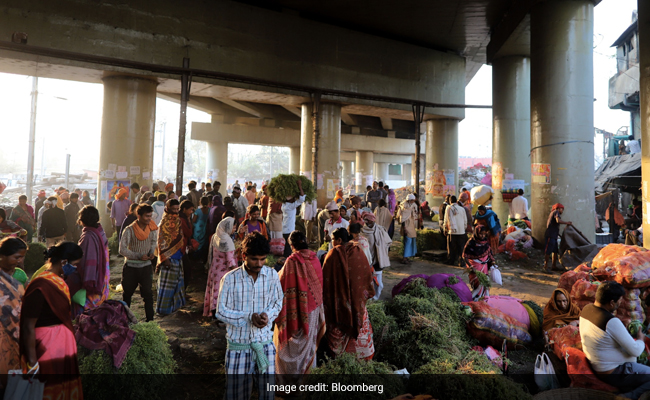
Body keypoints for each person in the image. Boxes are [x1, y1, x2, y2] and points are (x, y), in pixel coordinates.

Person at [216, 232, 283, 400]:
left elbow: (277, 303)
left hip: (264, 345)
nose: (259, 264)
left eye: (263, 259)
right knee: (236, 395)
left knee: (267, 395)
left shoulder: (272, 276)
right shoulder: (230, 279)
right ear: (243, 256)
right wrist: (248, 317)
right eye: (254, 259)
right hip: (239, 348)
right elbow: (221, 311)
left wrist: (267, 316)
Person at [20, 242, 84, 399]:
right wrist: (32, 362)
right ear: (64, 262)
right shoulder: (40, 285)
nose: (76, 268)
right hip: (46, 349)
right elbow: (28, 326)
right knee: (48, 390)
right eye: (74, 265)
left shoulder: (58, 281)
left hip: (62, 347)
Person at [580, 282, 650, 399]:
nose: (620, 303)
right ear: (612, 303)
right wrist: (640, 339)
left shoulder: (587, 309)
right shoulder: (610, 321)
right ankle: (627, 396)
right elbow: (636, 351)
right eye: (619, 301)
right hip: (615, 372)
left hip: (600, 366)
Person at [274, 230, 324, 379]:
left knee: (292, 343)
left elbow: (281, 281)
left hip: (295, 308)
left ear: (291, 245)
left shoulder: (292, 261)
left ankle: (289, 377)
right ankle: (306, 376)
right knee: (308, 342)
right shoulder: (314, 258)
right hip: (312, 309)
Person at [322, 228, 375, 359]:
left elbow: (325, 280)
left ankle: (340, 360)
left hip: (338, 307)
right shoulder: (359, 252)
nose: (332, 242)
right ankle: (361, 359)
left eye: (333, 239)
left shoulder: (332, 255)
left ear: (339, 240)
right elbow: (366, 275)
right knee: (361, 331)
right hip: (358, 304)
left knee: (337, 333)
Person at [119, 204, 157, 322]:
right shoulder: (129, 230)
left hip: (146, 267)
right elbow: (122, 250)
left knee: (148, 295)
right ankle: (125, 321)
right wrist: (138, 256)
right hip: (131, 267)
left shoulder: (152, 228)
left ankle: (150, 321)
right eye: (146, 216)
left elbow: (153, 242)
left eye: (150, 216)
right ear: (139, 216)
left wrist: (151, 253)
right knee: (127, 295)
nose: (149, 219)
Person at [0, 237, 26, 389]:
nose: (20, 261)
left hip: (15, 339)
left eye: (22, 257)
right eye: (16, 257)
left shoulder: (18, 278)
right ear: (2, 256)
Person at [74, 206, 110, 316]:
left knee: (87, 309)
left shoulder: (88, 236)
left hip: (93, 278)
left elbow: (82, 259)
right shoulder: (100, 231)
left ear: (82, 220)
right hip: (103, 274)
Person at [156, 199, 186, 315]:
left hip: (178, 257)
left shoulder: (178, 220)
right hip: (168, 259)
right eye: (173, 209)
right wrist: (165, 258)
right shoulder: (164, 222)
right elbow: (161, 242)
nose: (176, 211)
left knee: (177, 284)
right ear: (168, 209)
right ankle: (163, 310)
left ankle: (174, 307)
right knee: (166, 287)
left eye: (177, 209)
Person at [204, 216, 237, 317]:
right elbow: (230, 261)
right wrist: (237, 272)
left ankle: (212, 312)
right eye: (233, 227)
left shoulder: (215, 236)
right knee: (222, 292)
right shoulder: (227, 240)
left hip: (214, 269)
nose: (234, 229)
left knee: (215, 290)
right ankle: (220, 315)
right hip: (224, 271)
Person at [361, 211, 392, 300]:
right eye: (367, 220)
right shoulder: (362, 231)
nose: (369, 222)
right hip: (367, 261)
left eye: (370, 220)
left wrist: (382, 250)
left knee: (379, 283)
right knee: (367, 281)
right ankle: (369, 298)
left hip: (378, 260)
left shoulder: (380, 230)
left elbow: (388, 242)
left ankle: (376, 298)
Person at [463, 226, 494, 301]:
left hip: (484, 267)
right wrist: (471, 267)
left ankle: (484, 299)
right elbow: (464, 256)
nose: (482, 236)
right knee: (478, 284)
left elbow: (489, 253)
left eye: (484, 234)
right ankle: (474, 299)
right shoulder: (471, 243)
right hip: (475, 267)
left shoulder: (486, 242)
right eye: (480, 234)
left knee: (485, 283)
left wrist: (493, 262)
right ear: (476, 233)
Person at [544, 203, 572, 273]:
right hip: (550, 235)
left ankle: (553, 266)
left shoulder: (553, 213)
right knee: (548, 251)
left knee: (555, 251)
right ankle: (545, 266)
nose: (562, 211)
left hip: (554, 235)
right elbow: (558, 221)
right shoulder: (556, 212)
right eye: (562, 209)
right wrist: (567, 223)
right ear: (558, 208)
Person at [281, 179, 305, 257]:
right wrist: (299, 185)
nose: (294, 199)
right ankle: (288, 259)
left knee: (287, 246)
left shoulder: (284, 205)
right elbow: (302, 199)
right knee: (289, 247)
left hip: (285, 229)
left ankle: (287, 258)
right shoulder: (290, 206)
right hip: (289, 229)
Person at [445, 195, 468, 267]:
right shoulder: (462, 209)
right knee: (461, 248)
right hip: (461, 231)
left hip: (452, 232)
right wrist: (463, 228)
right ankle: (461, 262)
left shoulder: (448, 208)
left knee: (452, 248)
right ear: (456, 201)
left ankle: (451, 261)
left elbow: (446, 220)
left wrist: (445, 228)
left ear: (450, 201)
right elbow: (465, 220)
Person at [179, 200, 196, 289]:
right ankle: (182, 290)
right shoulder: (182, 220)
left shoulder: (182, 218)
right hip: (180, 248)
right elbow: (188, 233)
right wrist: (189, 221)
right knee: (187, 269)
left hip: (182, 247)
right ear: (184, 209)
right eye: (190, 210)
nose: (191, 212)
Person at [399, 194, 419, 264]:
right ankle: (404, 258)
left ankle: (407, 257)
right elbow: (402, 218)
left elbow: (415, 214)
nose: (413, 201)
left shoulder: (413, 205)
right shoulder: (404, 206)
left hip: (411, 224)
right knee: (408, 241)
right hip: (406, 225)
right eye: (412, 200)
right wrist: (404, 227)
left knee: (411, 241)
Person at [193, 196, 211, 262]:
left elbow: (194, 220)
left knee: (197, 243)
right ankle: (202, 258)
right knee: (204, 243)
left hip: (198, 229)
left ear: (200, 202)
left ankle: (196, 258)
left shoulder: (198, 211)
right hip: (205, 228)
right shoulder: (210, 210)